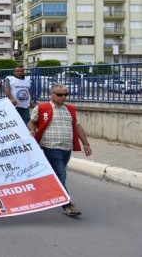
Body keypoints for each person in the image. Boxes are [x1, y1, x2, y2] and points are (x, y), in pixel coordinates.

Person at [28, 83, 92, 217]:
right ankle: (67, 204)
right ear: (51, 95)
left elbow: (78, 126)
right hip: (50, 146)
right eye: (60, 95)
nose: (63, 97)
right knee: (61, 174)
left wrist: (85, 143)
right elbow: (32, 121)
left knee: (59, 174)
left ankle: (49, 190)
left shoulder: (71, 109)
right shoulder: (42, 108)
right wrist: (32, 130)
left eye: (65, 95)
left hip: (66, 147)